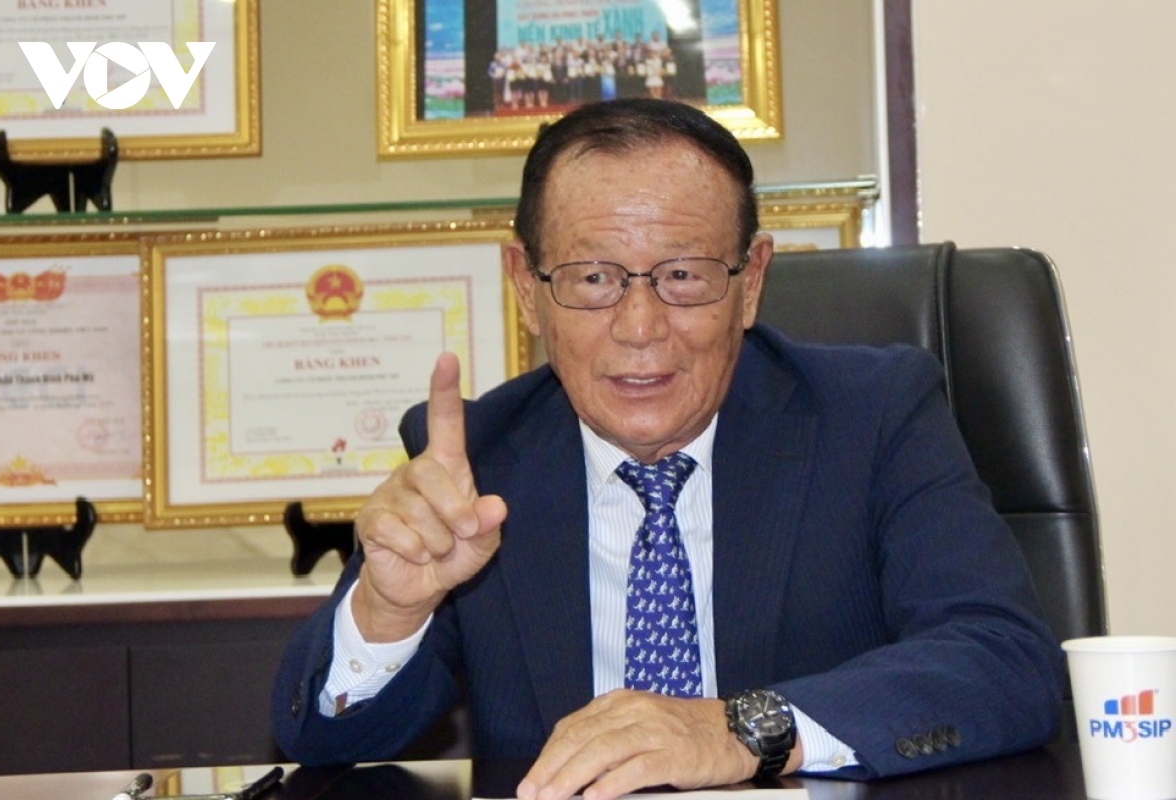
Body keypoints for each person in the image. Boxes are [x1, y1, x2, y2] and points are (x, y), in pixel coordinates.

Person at [271, 98, 1064, 800]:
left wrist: (743, 729)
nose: (641, 328)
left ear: (752, 281)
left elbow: (1005, 663)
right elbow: (322, 742)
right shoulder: (476, 462)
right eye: (593, 278)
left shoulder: (874, 416)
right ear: (526, 287)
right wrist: (389, 611)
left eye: (683, 274)